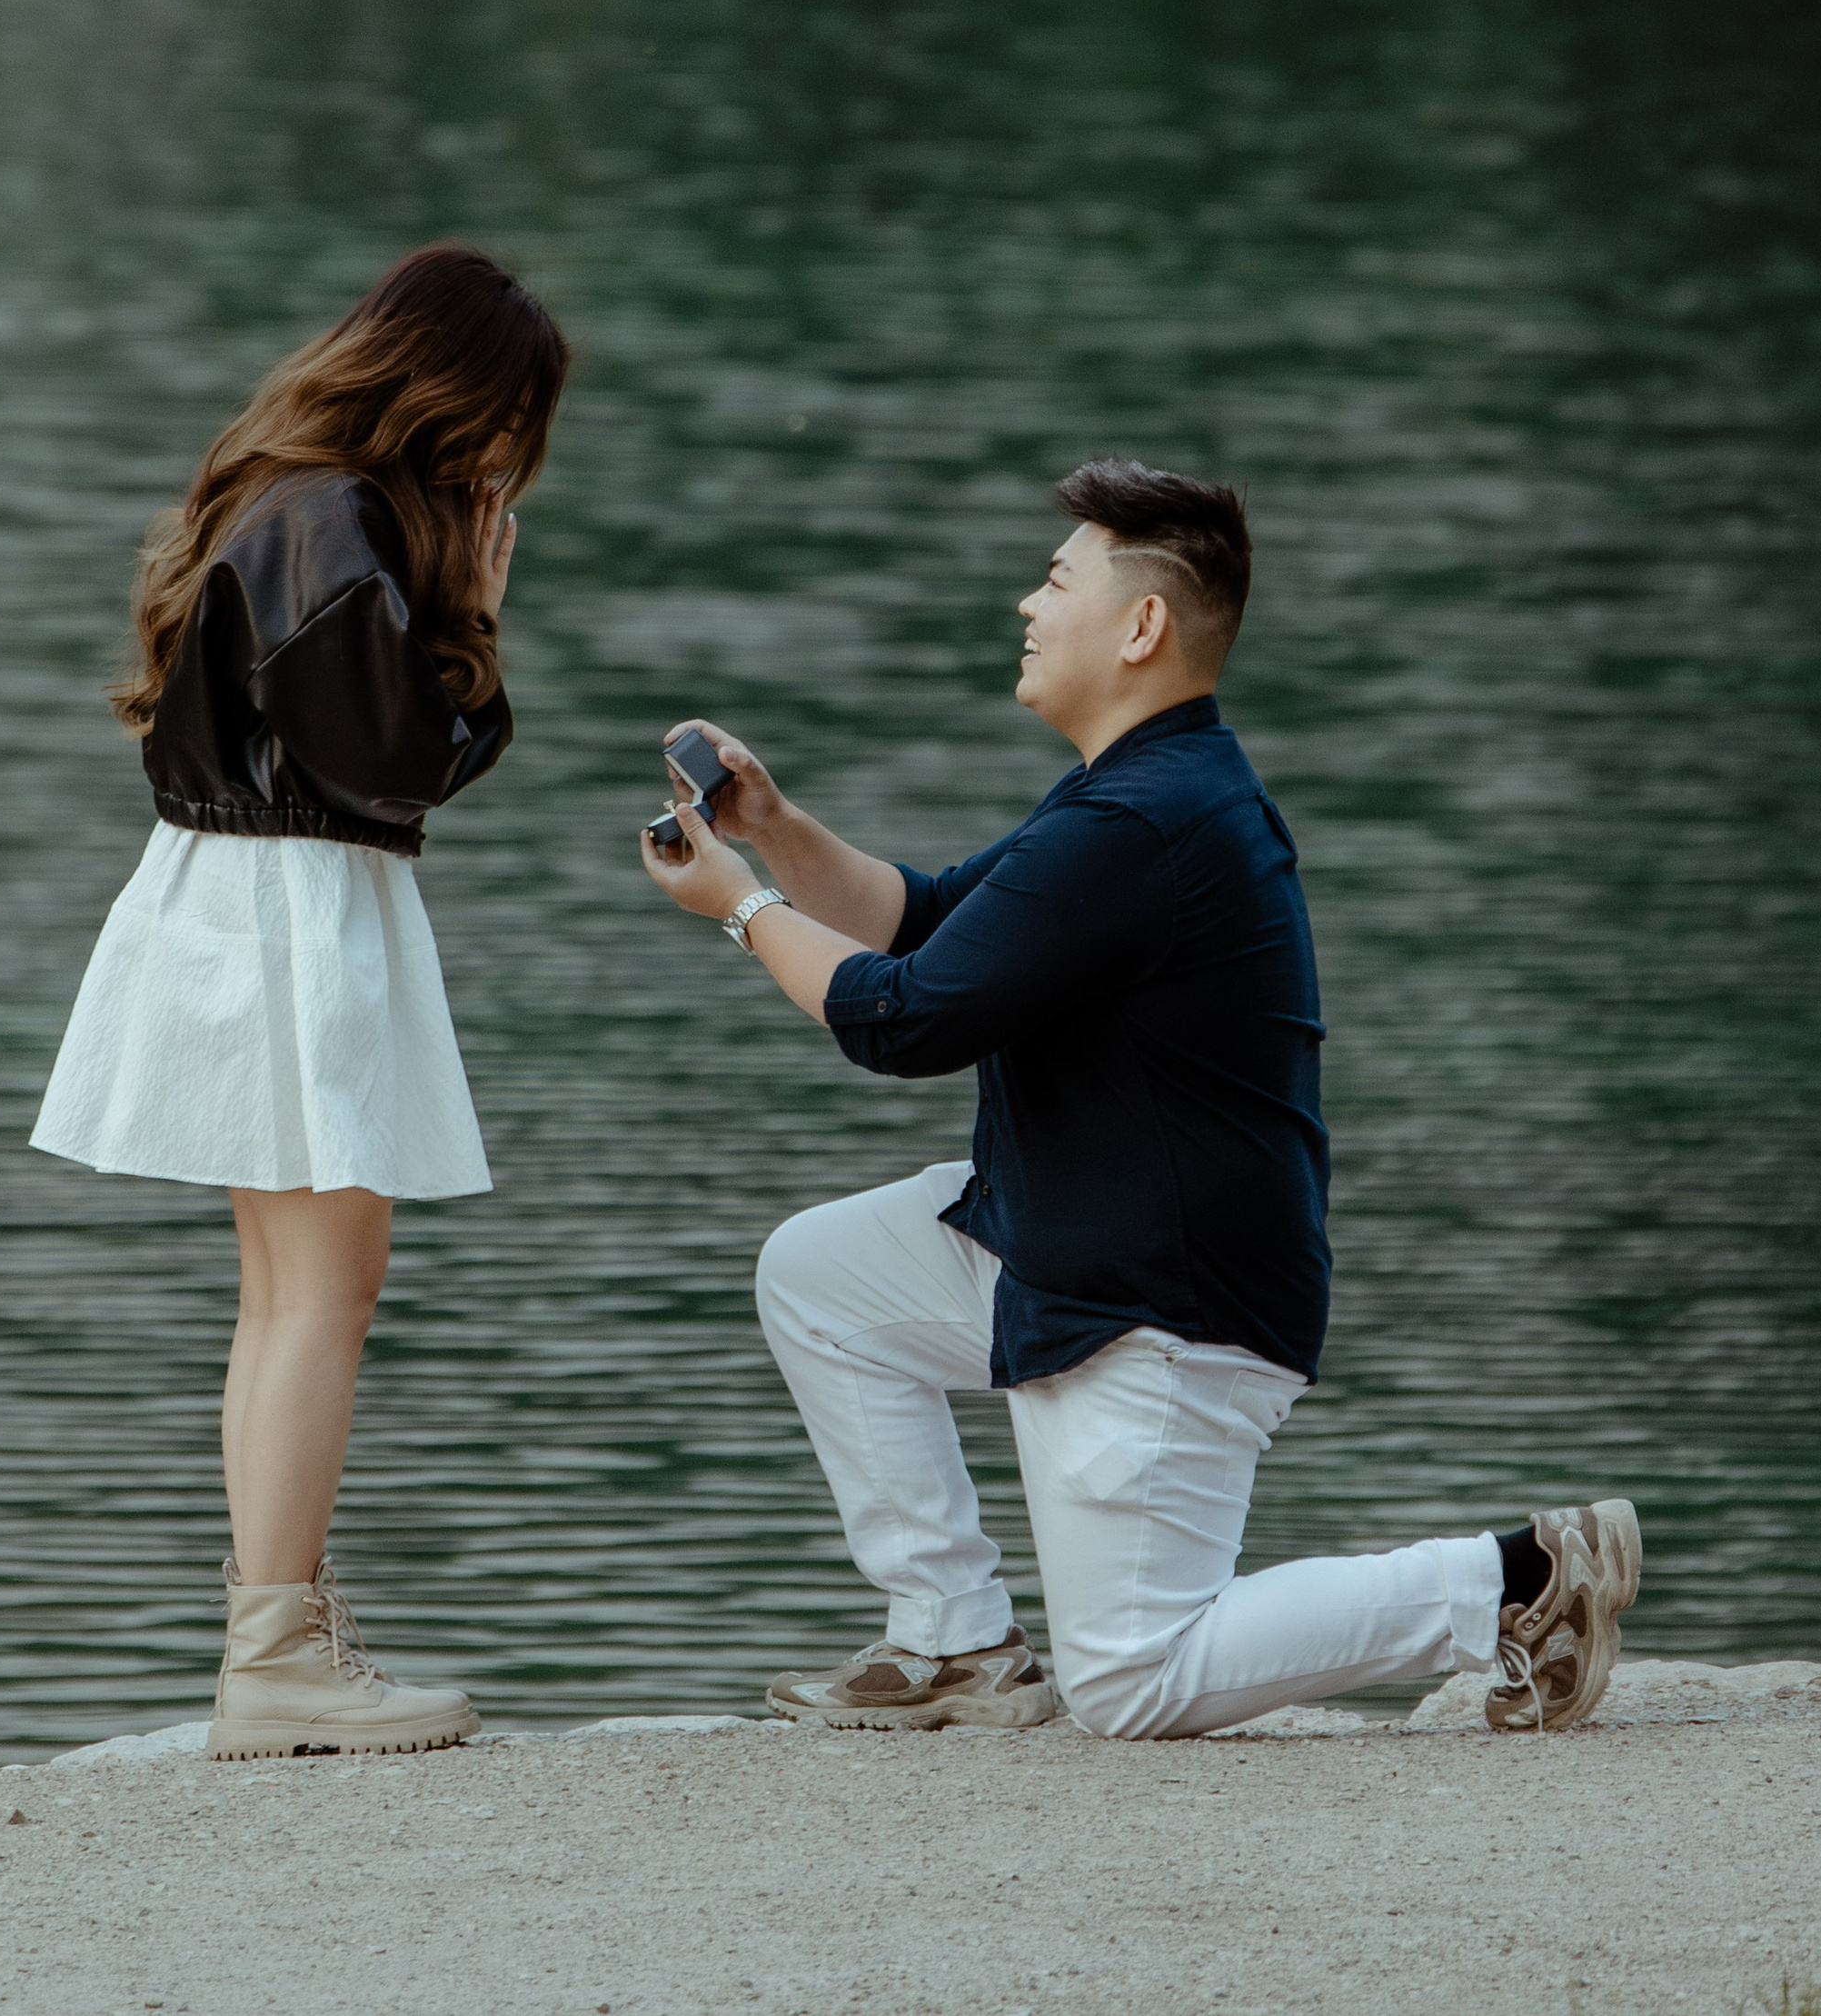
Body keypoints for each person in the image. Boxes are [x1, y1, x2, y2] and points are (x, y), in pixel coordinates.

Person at [640, 456, 1641, 1741]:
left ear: (1143, 624)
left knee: (1131, 1679)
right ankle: (954, 1642)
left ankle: (1520, 1578)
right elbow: (924, 919)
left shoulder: (1150, 821)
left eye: (1056, 578)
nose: (1025, 602)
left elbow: (905, 1017)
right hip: (1068, 1240)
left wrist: (742, 907)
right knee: (822, 1276)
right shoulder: (1138, 796)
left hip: (1167, 1298)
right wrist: (774, 828)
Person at [34, 242, 570, 1759]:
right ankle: (277, 1650)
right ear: (453, 390)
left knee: (293, 1289)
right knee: (323, 1286)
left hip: (245, 893)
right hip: (292, 902)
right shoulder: (333, 517)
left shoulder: (282, 495)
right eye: (504, 420)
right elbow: (391, 759)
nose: (502, 461)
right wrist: (472, 614)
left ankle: (280, 1630)